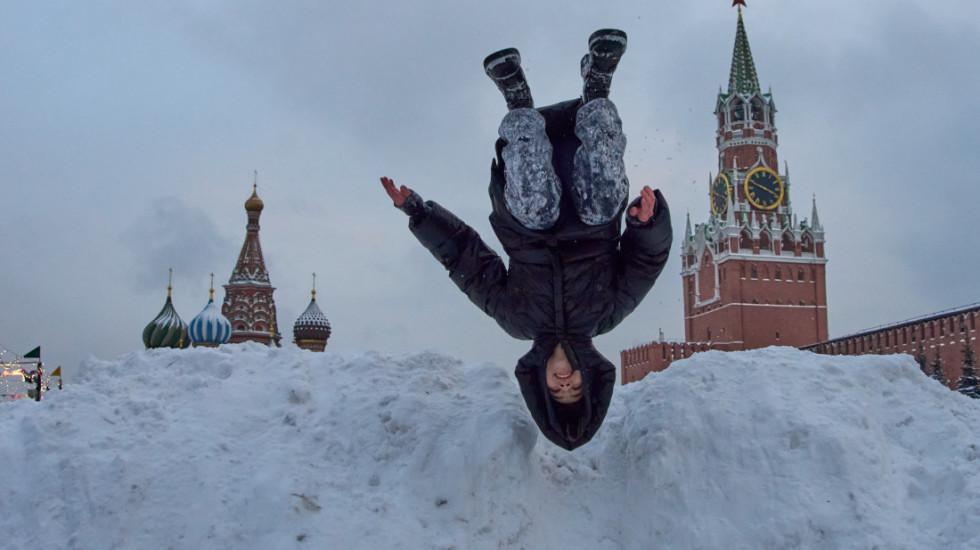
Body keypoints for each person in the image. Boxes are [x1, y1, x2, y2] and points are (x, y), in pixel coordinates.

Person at [381, 29, 672, 450]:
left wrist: (418, 212)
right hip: (591, 215)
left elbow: (466, 260)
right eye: (575, 388)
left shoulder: (515, 318)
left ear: (542, 385)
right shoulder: (606, 313)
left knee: (537, 212)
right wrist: (648, 223)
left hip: (526, 214)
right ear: (587, 376)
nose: (565, 382)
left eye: (558, 392)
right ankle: (597, 91)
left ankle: (516, 97)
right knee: (603, 204)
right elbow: (648, 261)